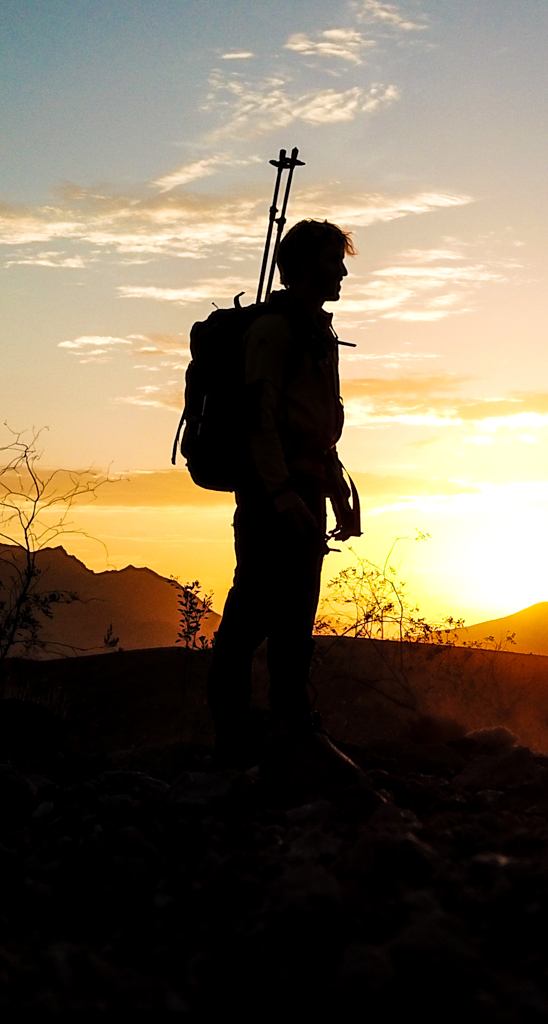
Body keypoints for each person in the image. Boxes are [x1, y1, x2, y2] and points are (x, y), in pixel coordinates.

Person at [206, 219, 364, 782]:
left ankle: (289, 731)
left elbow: (317, 426)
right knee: (251, 614)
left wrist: (336, 489)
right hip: (273, 496)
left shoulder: (316, 333)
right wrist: (278, 493)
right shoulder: (274, 331)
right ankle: (234, 743)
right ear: (300, 265)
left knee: (296, 617)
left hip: (304, 490)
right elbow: (260, 417)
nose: (341, 272)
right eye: (331, 261)